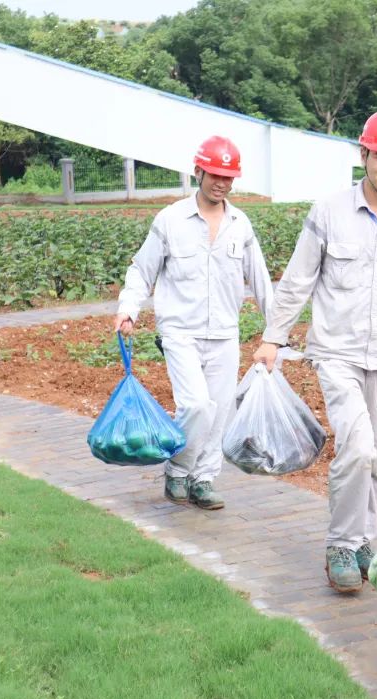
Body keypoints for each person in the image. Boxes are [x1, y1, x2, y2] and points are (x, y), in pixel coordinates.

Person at [253, 107, 377, 594]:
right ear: (363, 154)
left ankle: (366, 537)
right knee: (358, 447)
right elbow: (298, 279)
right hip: (337, 353)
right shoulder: (329, 212)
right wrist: (272, 338)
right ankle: (341, 544)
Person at [114, 135, 272, 511]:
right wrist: (128, 308)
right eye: (215, 175)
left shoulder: (240, 224)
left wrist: (276, 333)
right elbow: (142, 269)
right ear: (198, 172)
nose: (221, 183)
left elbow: (261, 280)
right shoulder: (170, 220)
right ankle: (178, 469)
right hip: (180, 331)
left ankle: (203, 479)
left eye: (228, 177)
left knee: (219, 412)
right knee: (197, 405)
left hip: (224, 333)